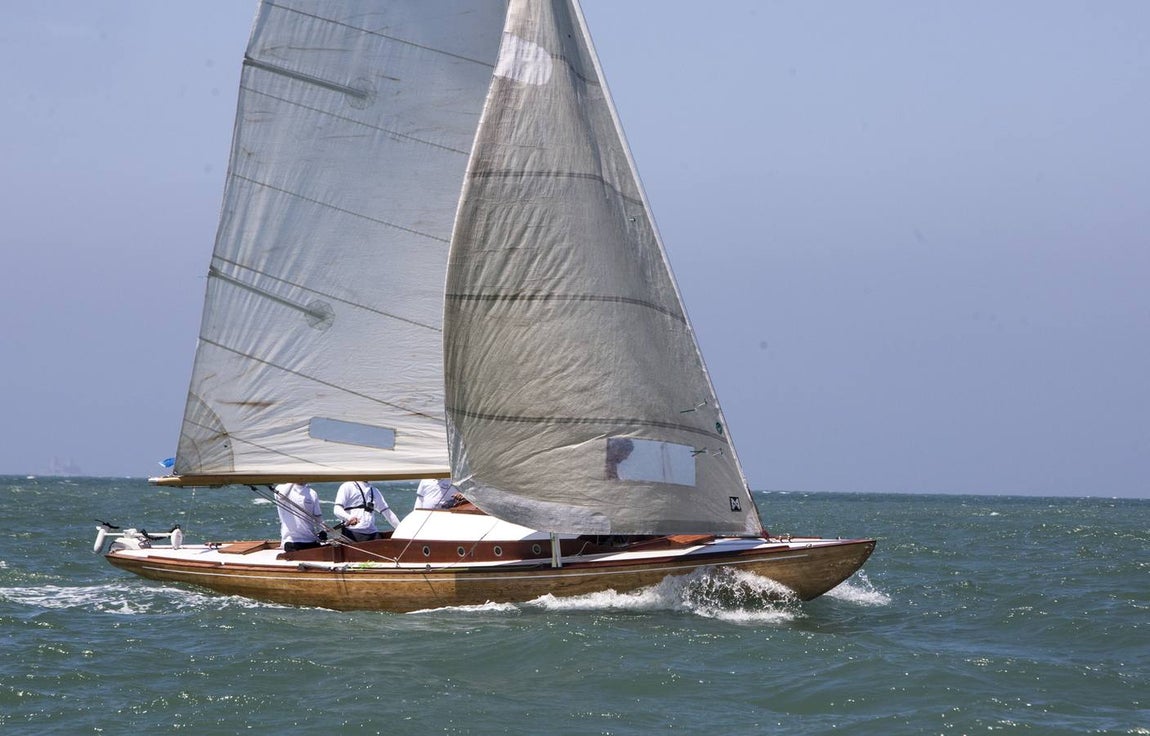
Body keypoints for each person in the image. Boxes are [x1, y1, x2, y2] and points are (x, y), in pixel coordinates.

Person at [333, 480, 401, 542]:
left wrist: (401, 529)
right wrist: (349, 518)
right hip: (352, 532)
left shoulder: (374, 490)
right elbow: (337, 510)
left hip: (373, 533)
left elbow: (388, 513)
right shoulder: (347, 486)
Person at [273, 482, 325, 552]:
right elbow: (281, 497)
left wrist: (322, 530)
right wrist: (293, 479)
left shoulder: (312, 493)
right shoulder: (281, 488)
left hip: (311, 540)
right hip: (291, 541)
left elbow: (318, 517)